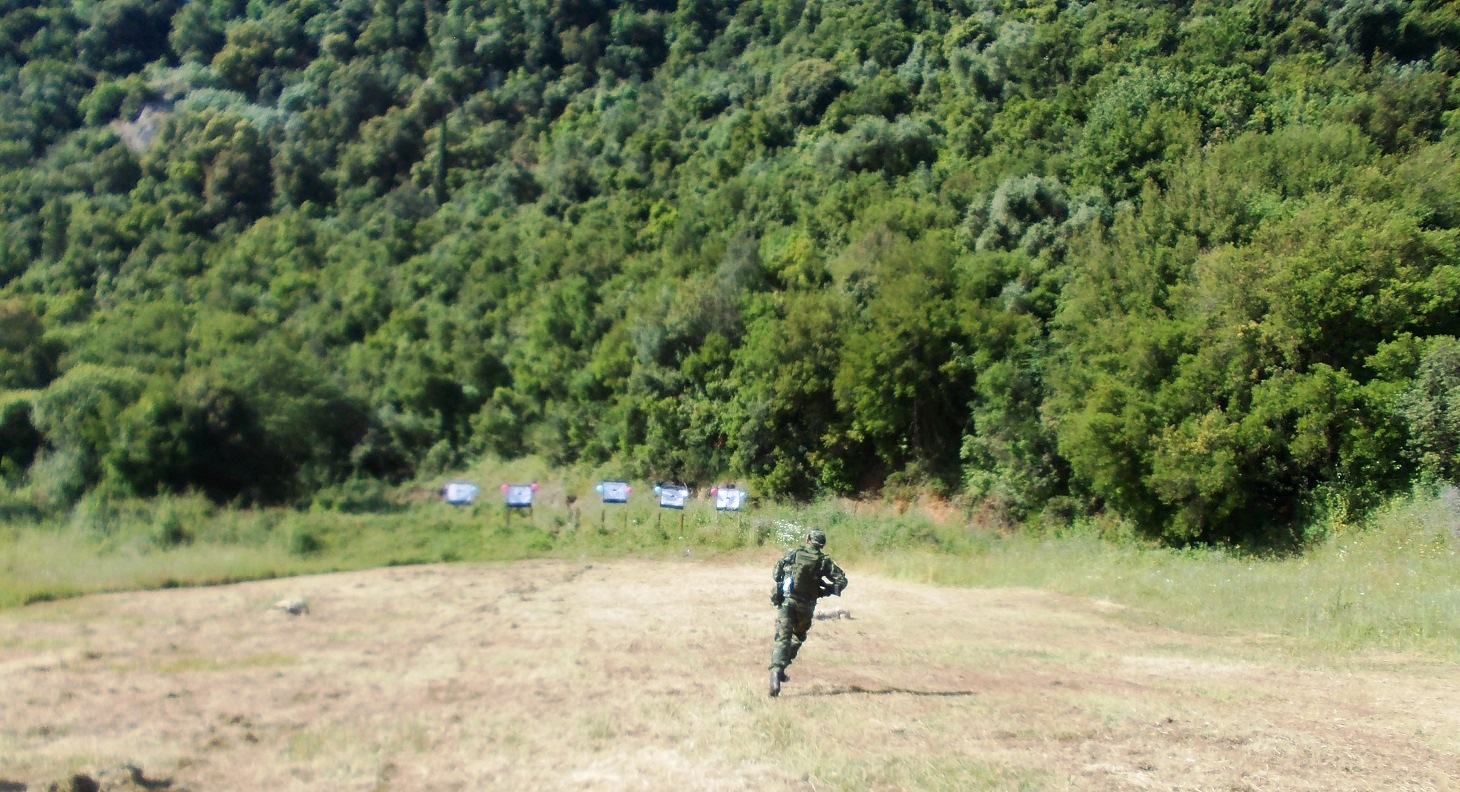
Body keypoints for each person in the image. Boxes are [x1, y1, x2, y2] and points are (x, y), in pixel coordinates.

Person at [767, 529, 848, 697]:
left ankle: (776, 671)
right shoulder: (823, 561)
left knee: (782, 637)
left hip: (787, 602)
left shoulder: (793, 553)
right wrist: (825, 590)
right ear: (822, 545)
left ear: (807, 540)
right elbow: (841, 580)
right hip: (806, 606)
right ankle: (782, 666)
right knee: (797, 636)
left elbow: (776, 575)